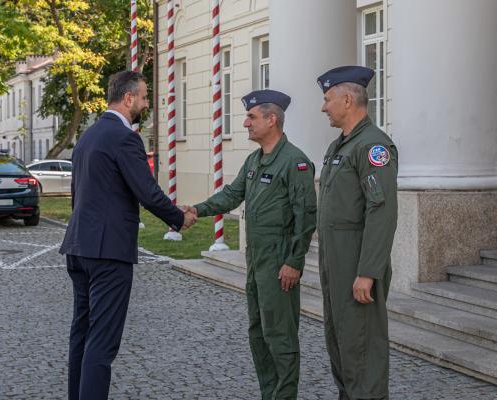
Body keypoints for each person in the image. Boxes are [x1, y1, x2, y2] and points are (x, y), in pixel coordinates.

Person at [59, 70, 197, 400]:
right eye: (145, 96)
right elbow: (147, 191)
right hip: (108, 252)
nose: (148, 103)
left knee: (82, 334)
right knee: (102, 342)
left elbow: (79, 194)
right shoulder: (124, 138)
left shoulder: (88, 136)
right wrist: (179, 217)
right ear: (129, 98)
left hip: (79, 247)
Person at [185, 89, 317, 400]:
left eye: (251, 117)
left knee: (280, 335)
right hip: (257, 261)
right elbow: (231, 194)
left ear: (272, 120)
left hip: (279, 262)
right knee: (258, 333)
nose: (245, 123)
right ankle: (269, 393)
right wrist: (196, 210)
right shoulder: (255, 160)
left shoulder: (295, 162)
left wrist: (294, 262)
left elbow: (306, 217)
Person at [315, 66, 398, 400]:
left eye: (327, 99)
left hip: (357, 266)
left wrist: (368, 272)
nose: (323, 107)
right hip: (336, 264)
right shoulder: (341, 146)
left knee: (361, 351)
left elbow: (381, 211)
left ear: (347, 99)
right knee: (342, 346)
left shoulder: (373, 146)